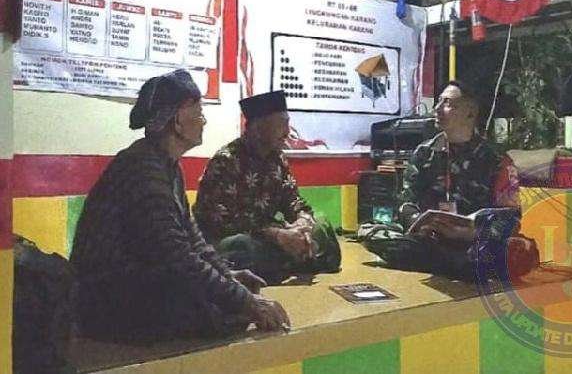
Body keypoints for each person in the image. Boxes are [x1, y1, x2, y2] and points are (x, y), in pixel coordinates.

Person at [70, 70, 290, 342]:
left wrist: (228, 277)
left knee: (219, 296)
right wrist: (244, 300)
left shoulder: (167, 165)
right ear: (177, 121)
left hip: (139, 281)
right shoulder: (142, 168)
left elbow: (194, 242)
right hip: (105, 299)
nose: (204, 121)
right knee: (209, 305)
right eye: (199, 112)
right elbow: (176, 256)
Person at [360, 81, 538, 279]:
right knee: (370, 231)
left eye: (447, 103)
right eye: (438, 102)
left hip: (473, 241)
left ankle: (448, 263)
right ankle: (458, 266)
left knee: (521, 250)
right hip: (431, 238)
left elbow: (510, 218)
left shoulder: (496, 159)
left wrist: (470, 233)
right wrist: (419, 222)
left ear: (470, 113)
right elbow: (406, 202)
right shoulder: (424, 153)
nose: (437, 108)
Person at [194, 91, 340, 284]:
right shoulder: (226, 161)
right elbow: (221, 222)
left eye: (287, 123)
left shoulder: (277, 159)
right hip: (234, 238)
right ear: (257, 128)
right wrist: (276, 235)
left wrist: (302, 223)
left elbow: (294, 201)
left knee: (321, 224)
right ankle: (297, 258)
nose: (287, 132)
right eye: (281, 124)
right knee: (242, 247)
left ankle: (291, 256)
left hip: (273, 236)